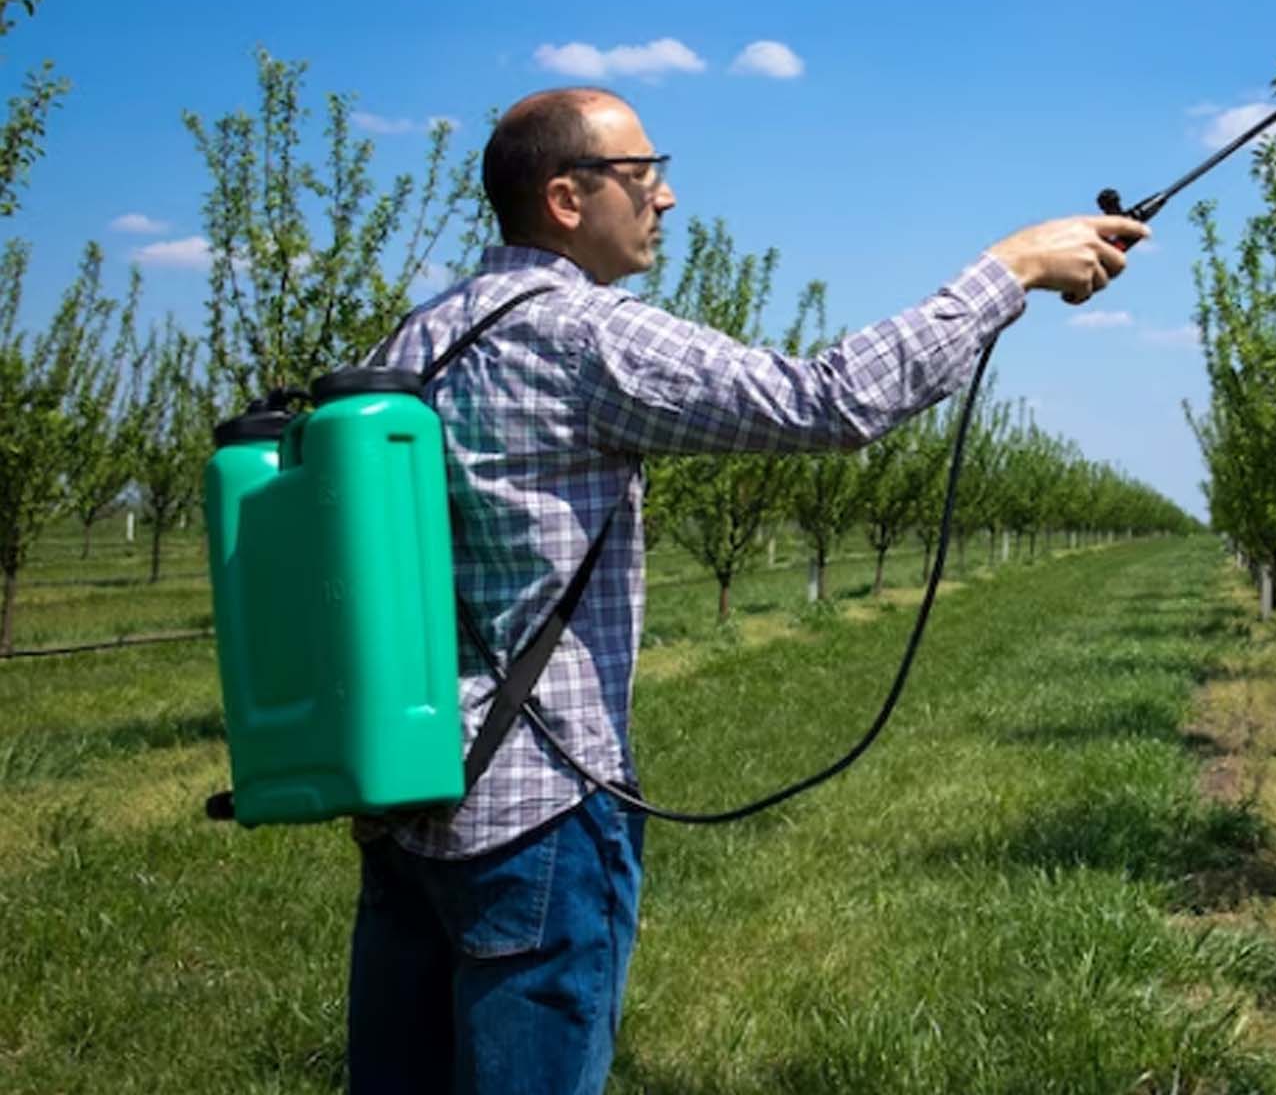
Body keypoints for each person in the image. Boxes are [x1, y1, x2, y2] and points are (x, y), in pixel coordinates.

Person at [345, 86, 1144, 1094]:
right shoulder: (585, 336)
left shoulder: (411, 343)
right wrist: (1010, 270)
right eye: (644, 174)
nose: (666, 198)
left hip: (411, 789)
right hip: (538, 810)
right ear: (565, 197)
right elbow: (828, 400)